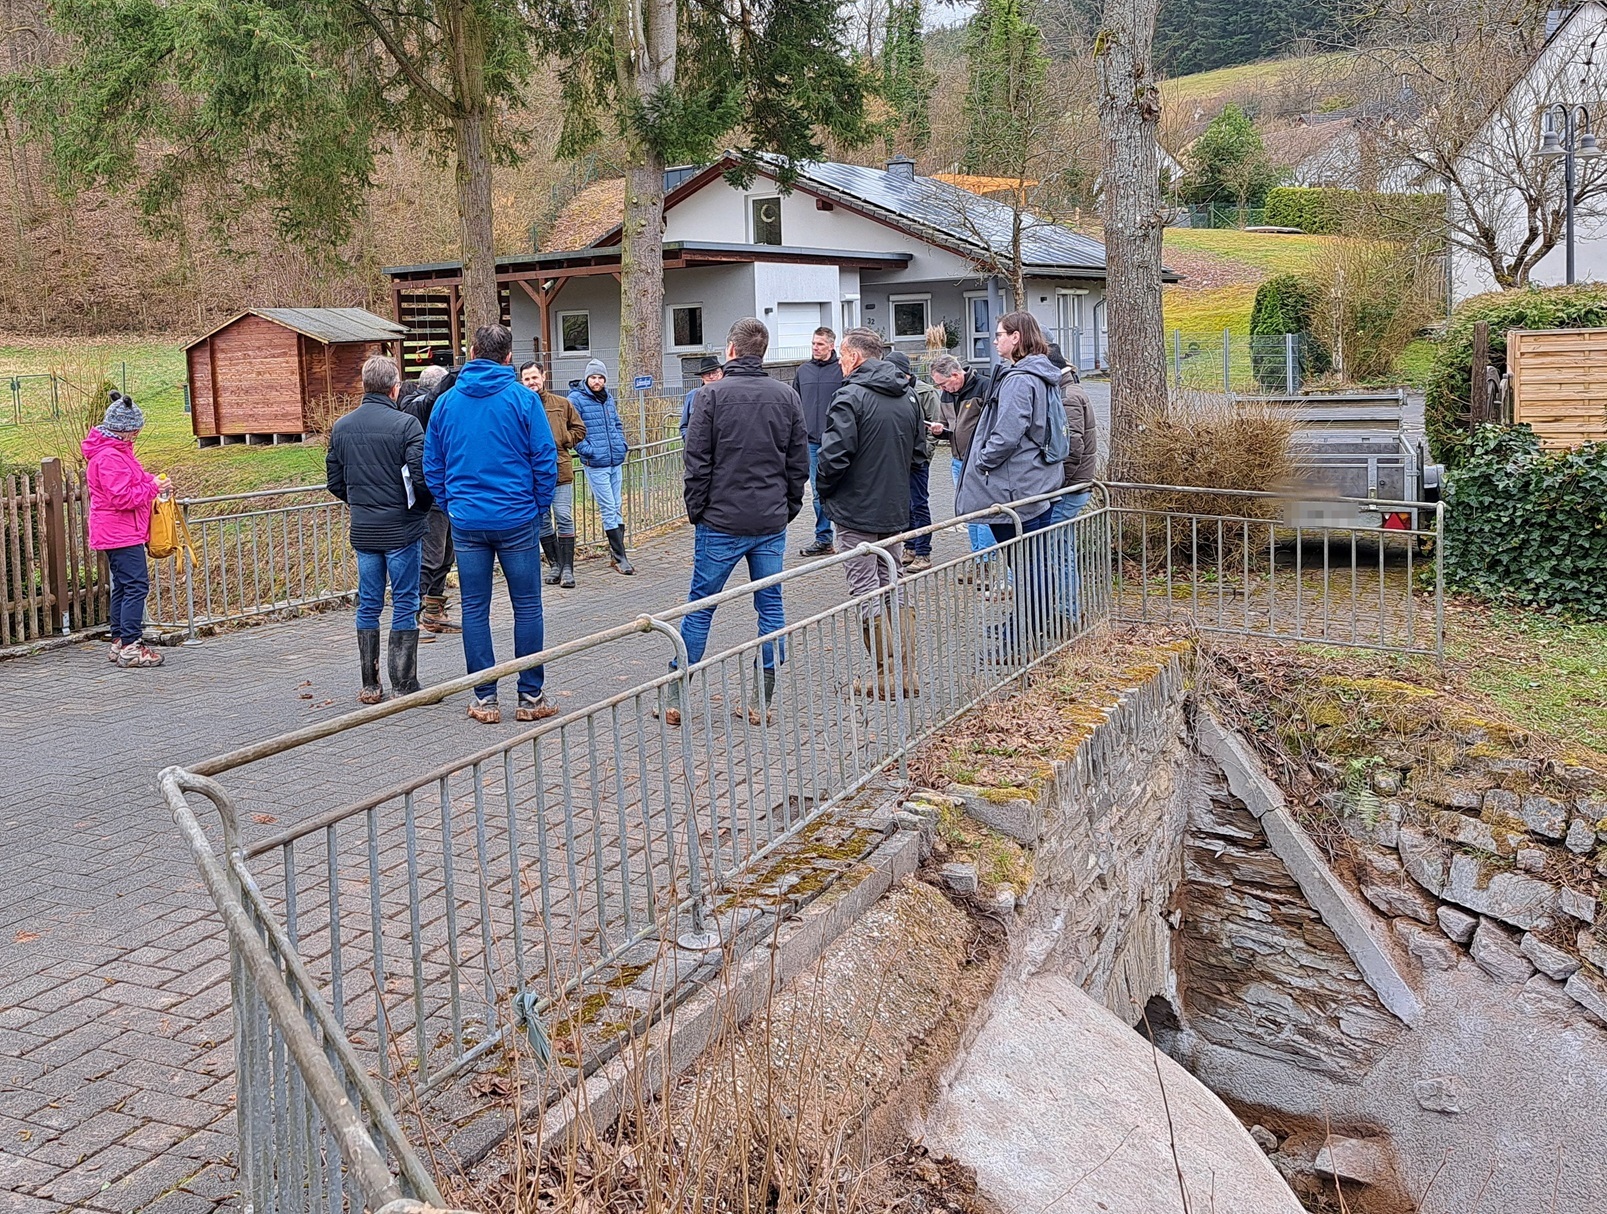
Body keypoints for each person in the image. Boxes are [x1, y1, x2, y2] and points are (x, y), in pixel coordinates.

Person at [661, 317, 809, 726]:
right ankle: (763, 701)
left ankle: (675, 695)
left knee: (702, 606)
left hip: (720, 522)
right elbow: (798, 463)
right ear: (762, 352)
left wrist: (698, 510)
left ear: (731, 350)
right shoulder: (786, 396)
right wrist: (788, 506)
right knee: (771, 606)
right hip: (768, 522)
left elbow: (696, 463)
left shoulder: (709, 397)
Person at [424, 324, 561, 724]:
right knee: (527, 606)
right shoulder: (524, 399)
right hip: (517, 516)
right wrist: (536, 506)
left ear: (471, 352)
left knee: (475, 609)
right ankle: (530, 697)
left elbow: (433, 464)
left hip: (468, 520)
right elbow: (544, 458)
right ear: (507, 357)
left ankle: (484, 698)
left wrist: (452, 505)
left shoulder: (446, 403)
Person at [815, 327, 923, 699]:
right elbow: (920, 455)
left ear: (856, 357)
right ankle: (906, 670)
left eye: (842, 355)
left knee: (866, 589)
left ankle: (886, 674)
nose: (840, 362)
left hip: (856, 510)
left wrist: (825, 491)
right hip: (894, 509)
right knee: (893, 581)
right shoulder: (909, 396)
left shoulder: (850, 397)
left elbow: (833, 458)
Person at [955, 311, 1067, 655]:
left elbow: (1007, 434)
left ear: (1016, 338)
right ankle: (1030, 625)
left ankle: (1021, 638)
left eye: (1000, 334)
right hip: (1034, 482)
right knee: (1033, 561)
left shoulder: (1021, 379)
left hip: (1015, 486)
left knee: (1026, 564)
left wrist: (983, 459)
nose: (995, 340)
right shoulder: (1041, 373)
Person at [326, 356, 432, 702]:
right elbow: (421, 476)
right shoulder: (406, 426)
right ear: (394, 387)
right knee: (405, 600)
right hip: (402, 528)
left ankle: (370, 684)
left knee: (368, 603)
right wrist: (422, 509)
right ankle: (404, 683)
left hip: (365, 529)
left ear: (364, 385)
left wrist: (359, 504)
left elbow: (335, 481)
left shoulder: (341, 427)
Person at [83, 392, 168, 669]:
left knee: (123, 585)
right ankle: (132, 646)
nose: (138, 434)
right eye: (136, 429)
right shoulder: (109, 457)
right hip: (120, 532)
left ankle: (120, 640)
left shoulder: (116, 452)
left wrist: (151, 480)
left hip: (119, 531)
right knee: (136, 586)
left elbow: (135, 480)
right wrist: (154, 487)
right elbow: (122, 497)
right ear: (126, 429)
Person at [398, 364, 461, 634]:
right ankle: (413, 619)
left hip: (448, 489)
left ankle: (434, 613)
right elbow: (432, 400)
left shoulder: (432, 406)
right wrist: (456, 377)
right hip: (431, 492)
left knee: (446, 554)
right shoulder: (415, 405)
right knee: (431, 557)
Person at [519, 361, 586, 589]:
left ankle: (568, 568)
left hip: (560, 469)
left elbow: (580, 429)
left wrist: (563, 439)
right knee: (543, 519)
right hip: (531, 474)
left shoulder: (562, 404)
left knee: (563, 515)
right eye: (527, 379)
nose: (531, 382)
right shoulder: (519, 405)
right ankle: (554, 564)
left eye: (534, 377)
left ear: (543, 376)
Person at [568, 359, 634, 574]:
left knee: (616, 505)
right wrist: (588, 450)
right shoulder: (576, 399)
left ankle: (618, 555)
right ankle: (620, 557)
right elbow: (572, 430)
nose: (597, 381)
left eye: (600, 377)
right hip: (596, 462)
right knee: (608, 508)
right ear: (587, 378)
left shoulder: (608, 398)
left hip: (615, 459)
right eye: (593, 377)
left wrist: (621, 444)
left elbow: (616, 423)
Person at [929, 354, 994, 556]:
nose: (942, 389)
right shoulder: (947, 394)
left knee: (983, 511)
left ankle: (987, 559)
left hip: (979, 461)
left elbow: (993, 424)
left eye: (943, 383)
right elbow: (948, 424)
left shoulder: (984, 387)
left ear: (956, 375)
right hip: (958, 460)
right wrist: (940, 430)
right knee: (968, 512)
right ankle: (978, 557)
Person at [1051, 364, 1099, 625]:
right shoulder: (1069, 391)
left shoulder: (1068, 396)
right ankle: (1067, 610)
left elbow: (1073, 446)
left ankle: (1066, 612)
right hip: (1075, 485)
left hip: (1070, 488)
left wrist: (1058, 483)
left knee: (1057, 553)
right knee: (1062, 551)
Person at [885, 351, 941, 572]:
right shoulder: (892, 391)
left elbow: (935, 427)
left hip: (917, 460)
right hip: (898, 460)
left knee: (919, 504)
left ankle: (924, 552)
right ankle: (909, 546)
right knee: (903, 505)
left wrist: (924, 453)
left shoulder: (925, 393)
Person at [793, 326, 844, 556]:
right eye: (814, 343)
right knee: (817, 492)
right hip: (811, 442)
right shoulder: (803, 371)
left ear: (831, 346)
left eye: (820, 344)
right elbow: (794, 405)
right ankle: (824, 538)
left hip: (838, 440)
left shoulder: (842, 370)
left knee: (843, 489)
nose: (815, 347)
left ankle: (849, 535)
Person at [678, 355, 724, 438]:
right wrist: (690, 441)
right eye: (707, 374)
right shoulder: (692, 395)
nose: (711, 376)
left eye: (714, 373)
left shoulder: (727, 395)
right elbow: (684, 425)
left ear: (721, 374)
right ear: (702, 377)